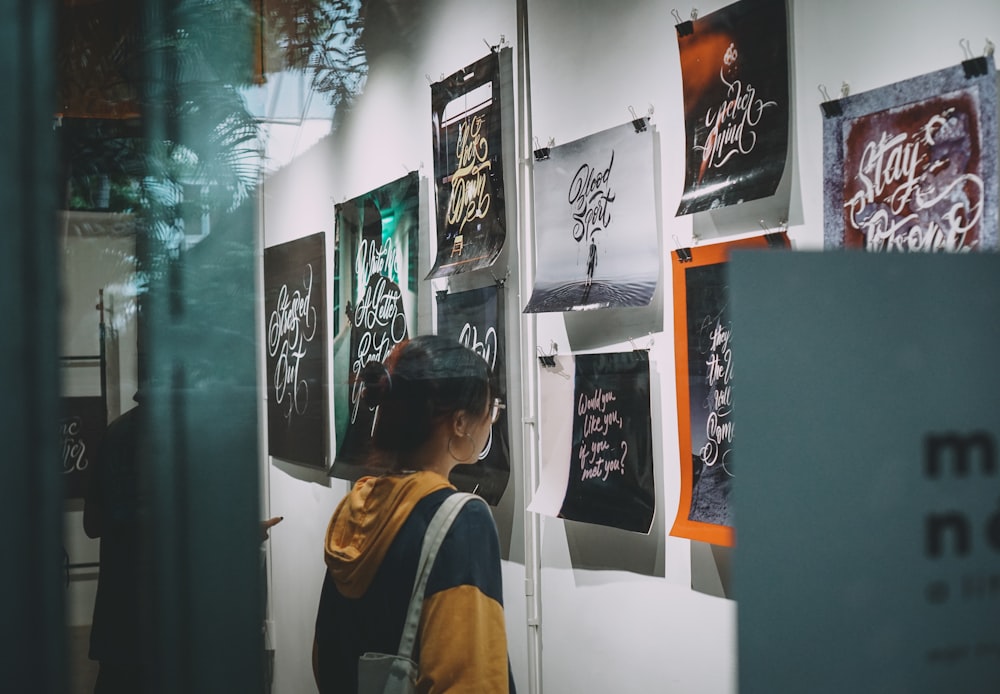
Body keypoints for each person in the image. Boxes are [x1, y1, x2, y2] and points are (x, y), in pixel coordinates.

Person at [313, 335, 515, 693]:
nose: (491, 419)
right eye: (491, 408)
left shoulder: (356, 508)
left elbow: (325, 658)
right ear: (459, 422)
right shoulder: (462, 522)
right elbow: (469, 681)